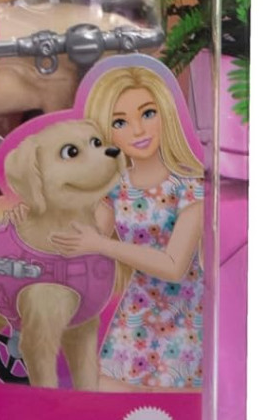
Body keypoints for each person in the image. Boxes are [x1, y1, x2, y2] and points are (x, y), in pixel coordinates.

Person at [50, 62, 205, 390]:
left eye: (148, 114)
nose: (137, 130)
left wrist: (102, 245)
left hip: (185, 317)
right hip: (136, 315)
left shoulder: (189, 187)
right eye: (120, 122)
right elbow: (84, 237)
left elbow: (174, 266)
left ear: (166, 113)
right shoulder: (117, 187)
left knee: (172, 399)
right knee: (102, 389)